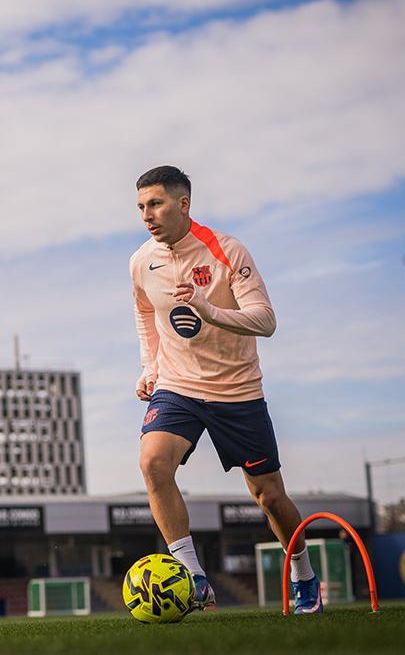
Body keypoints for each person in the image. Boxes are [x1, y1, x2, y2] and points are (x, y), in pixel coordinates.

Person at [130, 165, 322, 614]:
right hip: (177, 386)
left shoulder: (227, 250)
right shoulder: (141, 261)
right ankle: (193, 577)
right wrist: (149, 367)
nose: (147, 215)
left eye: (155, 203)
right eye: (141, 207)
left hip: (237, 392)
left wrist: (207, 308)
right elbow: (144, 313)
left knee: (269, 496)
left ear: (184, 204)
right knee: (153, 462)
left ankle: (304, 576)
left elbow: (265, 320)